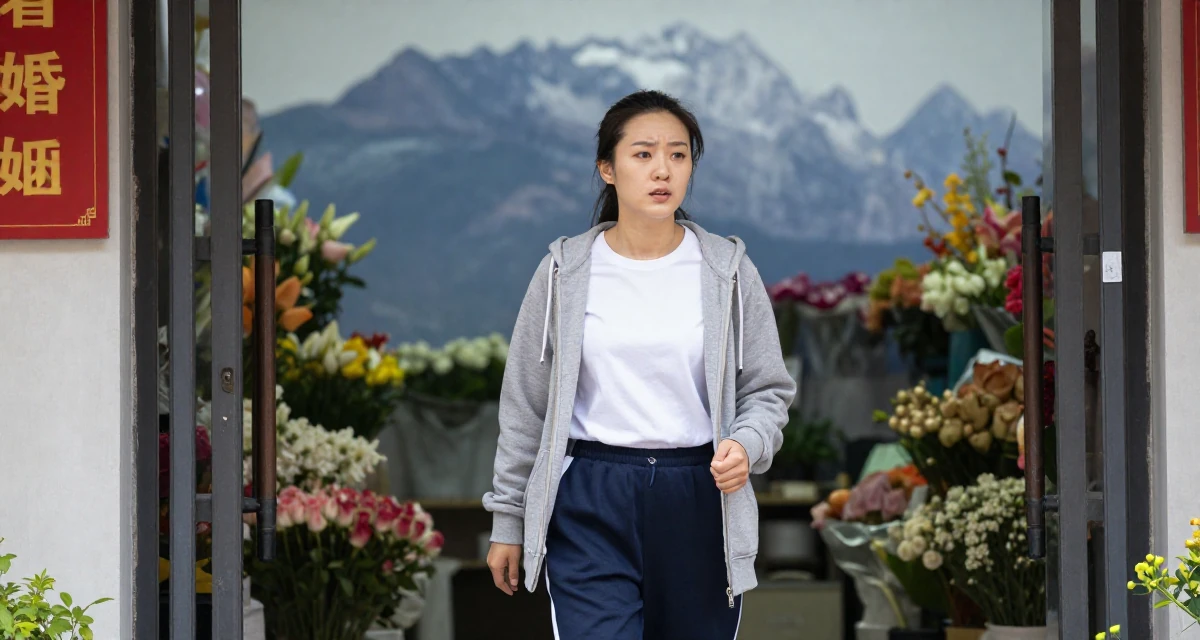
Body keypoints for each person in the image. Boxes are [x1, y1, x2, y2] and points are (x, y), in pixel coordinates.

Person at [482, 89, 796, 639]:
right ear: (607, 168)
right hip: (590, 497)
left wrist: (746, 444)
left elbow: (768, 390)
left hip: (701, 495)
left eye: (678, 155)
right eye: (643, 153)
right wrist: (508, 520)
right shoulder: (563, 272)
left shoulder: (728, 271)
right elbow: (525, 405)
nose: (662, 170)